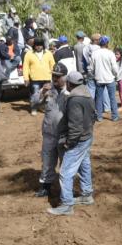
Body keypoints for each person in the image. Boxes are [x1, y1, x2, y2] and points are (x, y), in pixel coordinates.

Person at [47, 71, 96, 216]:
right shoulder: (87, 93)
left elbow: (75, 125)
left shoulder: (74, 99)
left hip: (78, 140)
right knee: (84, 165)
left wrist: (70, 142)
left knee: (65, 173)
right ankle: (87, 195)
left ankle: (67, 205)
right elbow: (93, 116)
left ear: (69, 83)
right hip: (87, 137)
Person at [35, 62, 69, 198]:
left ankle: (66, 190)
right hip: (49, 133)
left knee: (65, 163)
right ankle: (45, 187)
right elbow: (34, 103)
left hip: (64, 135)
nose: (55, 79)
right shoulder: (48, 90)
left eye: (58, 76)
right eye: (53, 76)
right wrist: (42, 92)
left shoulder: (70, 91)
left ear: (65, 77)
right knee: (47, 161)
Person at [89, 36, 119, 122]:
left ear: (99, 43)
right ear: (107, 43)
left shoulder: (95, 53)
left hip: (99, 79)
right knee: (112, 98)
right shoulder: (110, 53)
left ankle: (99, 117)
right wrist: (115, 75)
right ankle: (115, 116)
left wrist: (94, 75)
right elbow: (114, 68)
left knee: (99, 98)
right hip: (110, 78)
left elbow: (91, 68)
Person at [23, 39, 56, 116]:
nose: (38, 47)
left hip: (47, 78)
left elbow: (53, 65)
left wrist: (54, 76)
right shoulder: (29, 54)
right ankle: (34, 108)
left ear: (43, 45)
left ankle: (42, 107)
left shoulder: (48, 53)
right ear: (34, 46)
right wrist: (26, 78)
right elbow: (25, 67)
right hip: (35, 79)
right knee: (35, 95)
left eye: (40, 45)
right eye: (37, 45)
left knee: (46, 94)